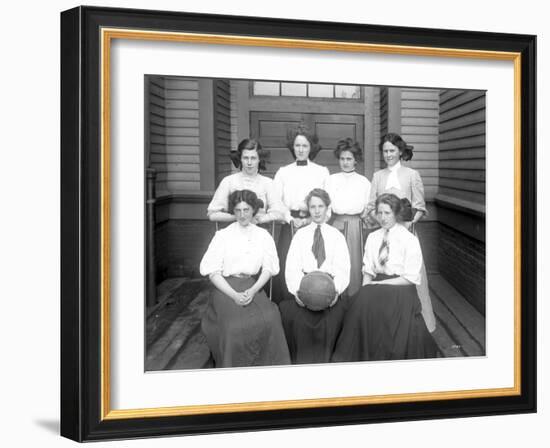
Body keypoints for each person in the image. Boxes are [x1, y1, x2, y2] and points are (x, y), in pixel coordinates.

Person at [332, 193, 437, 362]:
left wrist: (376, 286)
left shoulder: (408, 239)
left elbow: (410, 278)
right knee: (360, 303)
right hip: (376, 284)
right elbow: (368, 271)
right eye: (379, 213)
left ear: (396, 213)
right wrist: (366, 288)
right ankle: (364, 354)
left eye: (387, 213)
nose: (382, 217)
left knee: (386, 312)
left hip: (401, 287)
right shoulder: (373, 237)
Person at [199, 189, 290, 367]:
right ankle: (234, 368)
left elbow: (269, 268)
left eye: (246, 210)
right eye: (238, 210)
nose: (242, 215)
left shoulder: (263, 236)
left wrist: (254, 289)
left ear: (253, 210)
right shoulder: (223, 236)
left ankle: (269, 366)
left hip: (252, 283)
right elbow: (212, 272)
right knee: (233, 327)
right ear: (233, 211)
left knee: (271, 318)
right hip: (225, 287)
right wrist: (233, 295)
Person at [366, 133, 436, 332]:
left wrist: (406, 225)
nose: (388, 154)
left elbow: (420, 207)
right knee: (385, 270)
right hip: (384, 232)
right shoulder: (378, 176)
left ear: (400, 151)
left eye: (392, 150)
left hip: (406, 232)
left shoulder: (412, 175)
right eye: (385, 151)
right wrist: (382, 221)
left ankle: (420, 323)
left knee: (412, 275)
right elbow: (371, 206)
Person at [279, 188, 351, 364]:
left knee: (336, 318)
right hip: (304, 290)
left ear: (327, 209)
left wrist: (335, 292)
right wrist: (298, 293)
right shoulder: (300, 236)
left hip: (329, 291)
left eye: (321, 206)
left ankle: (328, 362)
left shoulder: (337, 236)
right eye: (313, 207)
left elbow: (343, 269)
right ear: (308, 209)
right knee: (294, 318)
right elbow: (292, 268)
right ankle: (300, 362)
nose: (317, 211)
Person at [272, 124, 330, 303]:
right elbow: (276, 201)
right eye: (297, 145)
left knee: (312, 262)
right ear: (292, 147)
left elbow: (328, 202)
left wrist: (311, 221)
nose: (301, 149)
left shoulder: (321, 171)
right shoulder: (283, 172)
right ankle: (288, 304)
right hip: (289, 223)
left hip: (314, 222)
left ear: (311, 147)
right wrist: (291, 219)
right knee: (288, 263)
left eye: (305, 146)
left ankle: (314, 300)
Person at [326, 138, 371, 297]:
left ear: (355, 160)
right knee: (335, 261)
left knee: (354, 262)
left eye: (349, 159)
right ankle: (335, 295)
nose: (345, 162)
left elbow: (367, 207)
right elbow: (327, 205)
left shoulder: (363, 182)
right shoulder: (331, 180)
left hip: (355, 225)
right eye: (342, 159)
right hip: (336, 223)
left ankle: (353, 297)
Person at [207, 138, 285, 225]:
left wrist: (260, 219)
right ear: (240, 158)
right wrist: (237, 217)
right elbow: (212, 214)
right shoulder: (228, 181)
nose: (249, 162)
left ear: (259, 159)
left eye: (253, 158)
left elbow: (279, 213)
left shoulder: (267, 183)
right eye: (245, 158)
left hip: (259, 232)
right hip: (234, 232)